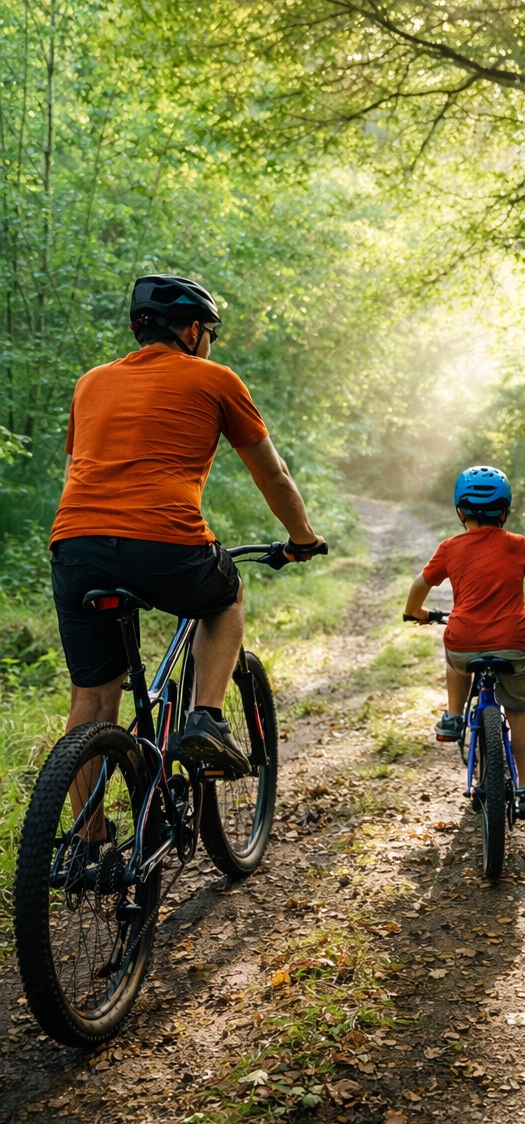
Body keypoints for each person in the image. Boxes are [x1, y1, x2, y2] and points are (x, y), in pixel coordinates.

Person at [50, 274, 325, 784]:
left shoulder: (89, 383)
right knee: (225, 597)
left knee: (91, 699)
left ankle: (90, 833)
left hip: (76, 545)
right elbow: (273, 474)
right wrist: (303, 538)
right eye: (210, 335)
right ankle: (206, 718)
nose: (210, 345)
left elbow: (73, 475)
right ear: (193, 330)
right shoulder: (216, 379)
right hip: (165, 542)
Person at [403, 465, 525, 821]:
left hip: (464, 640)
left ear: (460, 511)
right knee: (520, 715)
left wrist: (415, 612)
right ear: (505, 511)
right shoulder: (518, 545)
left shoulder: (450, 547)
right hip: (513, 642)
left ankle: (453, 716)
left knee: (455, 656)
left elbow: (421, 584)